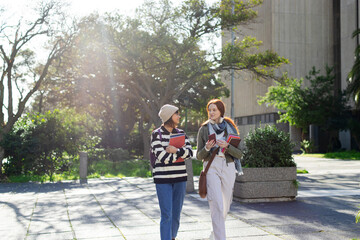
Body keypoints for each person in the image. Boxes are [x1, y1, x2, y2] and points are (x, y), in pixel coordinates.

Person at [196, 99, 242, 240]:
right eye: (209, 110)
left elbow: (239, 154)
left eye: (214, 110)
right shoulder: (204, 129)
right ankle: (220, 238)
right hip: (211, 166)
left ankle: (214, 233)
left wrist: (227, 147)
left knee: (226, 204)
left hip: (228, 165)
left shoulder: (230, 127)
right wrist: (207, 148)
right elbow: (198, 155)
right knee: (216, 203)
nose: (211, 112)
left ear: (221, 111)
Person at [150, 104, 193, 240]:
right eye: (177, 114)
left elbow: (190, 153)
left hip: (180, 178)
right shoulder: (156, 134)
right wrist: (180, 154)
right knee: (167, 214)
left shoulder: (181, 133)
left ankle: (172, 237)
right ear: (169, 116)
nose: (179, 116)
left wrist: (175, 151)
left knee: (176, 214)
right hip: (163, 180)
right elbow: (162, 158)